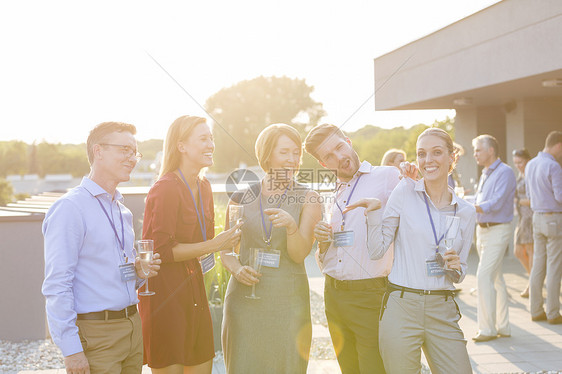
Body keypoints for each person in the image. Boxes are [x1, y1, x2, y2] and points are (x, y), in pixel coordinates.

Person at [347, 127, 475, 373]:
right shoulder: (404, 191)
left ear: (452, 158)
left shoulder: (466, 211)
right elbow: (376, 251)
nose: (428, 160)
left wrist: (456, 269)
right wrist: (374, 213)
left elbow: (461, 271)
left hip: (443, 307)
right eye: (422, 153)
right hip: (401, 305)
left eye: (437, 152)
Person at [42, 121, 161, 374]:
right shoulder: (70, 208)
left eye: (135, 152)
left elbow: (113, 273)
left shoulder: (122, 211)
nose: (132, 158)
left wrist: (138, 272)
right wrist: (71, 350)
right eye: (125, 150)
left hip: (131, 326)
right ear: (98, 151)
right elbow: (57, 284)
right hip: (96, 334)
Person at [139, 115, 242, 374]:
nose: (211, 145)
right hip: (166, 296)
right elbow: (162, 252)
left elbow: (207, 241)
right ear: (181, 146)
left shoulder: (204, 186)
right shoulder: (164, 189)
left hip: (195, 291)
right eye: (203, 139)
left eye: (211, 138)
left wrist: (234, 238)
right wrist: (215, 245)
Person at [221, 123, 321, 373]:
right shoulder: (240, 197)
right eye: (284, 152)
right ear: (267, 154)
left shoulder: (309, 198)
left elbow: (299, 254)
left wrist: (291, 227)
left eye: (296, 152)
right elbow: (226, 249)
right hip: (244, 302)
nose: (293, 159)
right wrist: (236, 269)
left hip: (288, 303)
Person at [304, 123, 400, 374]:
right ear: (324, 164)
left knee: (373, 368)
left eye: (339, 147)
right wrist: (323, 242)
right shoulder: (333, 193)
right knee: (349, 369)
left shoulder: (387, 175)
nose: (339, 157)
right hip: (333, 294)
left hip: (370, 294)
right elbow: (332, 251)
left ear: (348, 141)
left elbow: (419, 211)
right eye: (329, 156)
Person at [471, 134, 516, 342]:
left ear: (491, 151)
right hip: (482, 230)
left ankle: (488, 329)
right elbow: (481, 199)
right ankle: (504, 327)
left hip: (498, 229)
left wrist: (470, 207)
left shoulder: (505, 172)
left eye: (478, 150)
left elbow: (496, 203)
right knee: (496, 279)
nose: (475, 154)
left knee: (483, 276)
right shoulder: (485, 173)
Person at [525, 130, 562, 324]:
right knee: (554, 267)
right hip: (554, 219)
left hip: (536, 218)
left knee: (538, 266)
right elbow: (560, 197)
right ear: (558, 145)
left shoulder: (531, 164)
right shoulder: (553, 166)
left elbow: (529, 196)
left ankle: (536, 310)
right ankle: (554, 313)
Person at [512, 148, 533, 298]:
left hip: (530, 217)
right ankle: (534, 280)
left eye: (520, 162)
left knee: (531, 251)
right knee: (518, 251)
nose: (518, 165)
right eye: (516, 163)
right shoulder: (521, 175)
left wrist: (518, 201)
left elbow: (535, 201)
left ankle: (532, 284)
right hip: (522, 217)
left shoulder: (531, 175)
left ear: (527, 160)